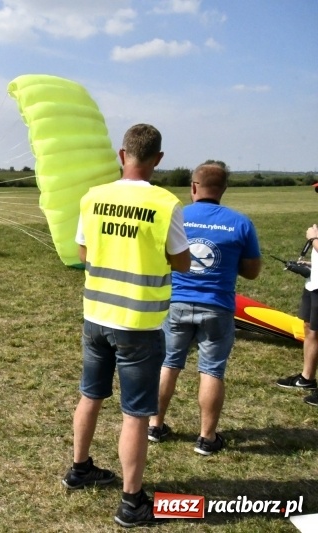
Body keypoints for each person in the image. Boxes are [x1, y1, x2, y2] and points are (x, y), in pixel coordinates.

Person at [63, 124, 190, 528]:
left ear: (122, 155)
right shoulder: (165, 203)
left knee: (90, 395)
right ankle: (132, 502)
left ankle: (80, 468)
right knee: (135, 413)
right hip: (138, 323)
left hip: (96, 315)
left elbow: (84, 252)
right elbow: (182, 262)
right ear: (158, 159)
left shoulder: (93, 197)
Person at [147, 162, 262, 455]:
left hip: (176, 303)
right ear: (224, 189)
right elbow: (252, 271)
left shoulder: (175, 216)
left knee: (168, 363)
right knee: (211, 370)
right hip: (218, 307)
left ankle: (154, 425)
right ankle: (207, 438)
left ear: (193, 187)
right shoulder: (240, 222)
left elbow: (159, 256)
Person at [276, 224, 318, 407]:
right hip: (314, 283)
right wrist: (311, 264)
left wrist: (313, 238)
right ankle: (306, 378)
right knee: (310, 329)